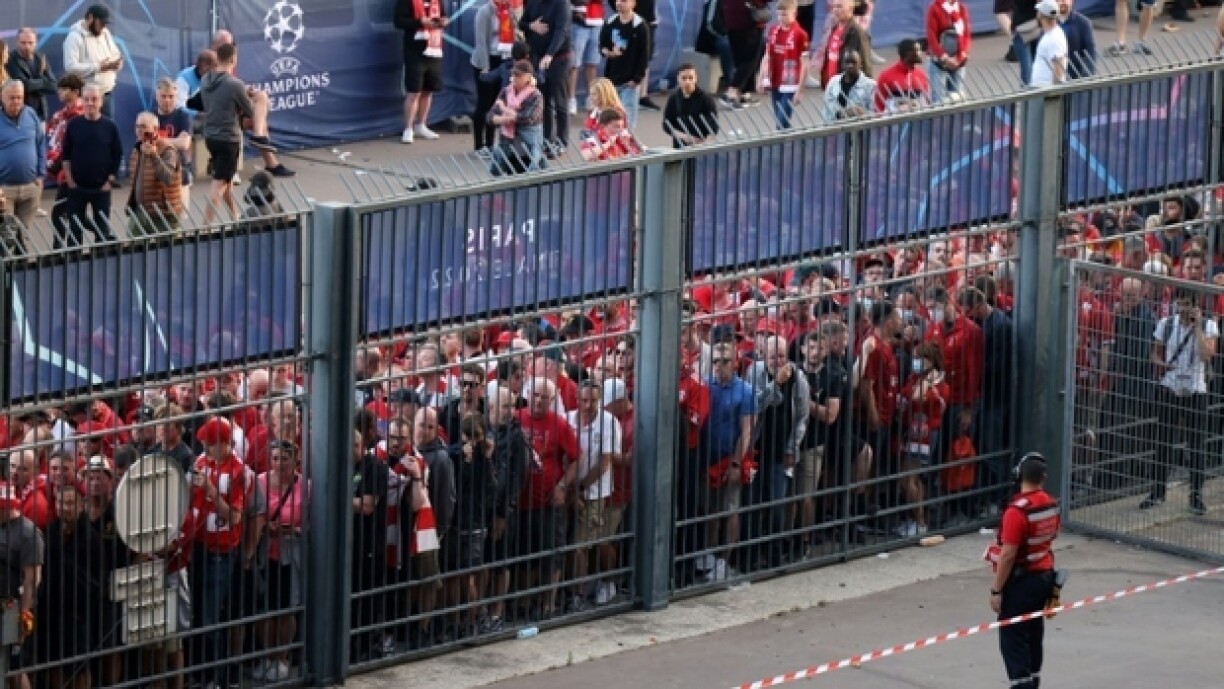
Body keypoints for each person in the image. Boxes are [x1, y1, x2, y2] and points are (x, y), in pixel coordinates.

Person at [986, 452, 1060, 689]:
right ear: (1043, 478)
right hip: (1045, 578)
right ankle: (1033, 681)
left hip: (1021, 584)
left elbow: (1008, 556)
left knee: (1014, 641)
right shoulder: (1051, 504)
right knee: (1033, 634)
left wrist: (996, 590)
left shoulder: (1016, 512)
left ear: (1019, 476)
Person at [60, 84, 122, 245]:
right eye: (86, 99)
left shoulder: (110, 127)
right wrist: (70, 181)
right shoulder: (73, 125)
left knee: (102, 234)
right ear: (82, 101)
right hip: (77, 189)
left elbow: (118, 155)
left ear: (101, 102)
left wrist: (110, 180)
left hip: (101, 189)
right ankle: (74, 265)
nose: (90, 103)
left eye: (94, 99)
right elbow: (65, 155)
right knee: (74, 234)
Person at [199, 43, 254, 224]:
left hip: (211, 137)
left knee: (226, 182)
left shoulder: (205, 80)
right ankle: (206, 227)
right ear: (233, 59)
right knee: (218, 185)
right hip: (228, 139)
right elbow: (250, 111)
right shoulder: (235, 84)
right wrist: (248, 96)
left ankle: (235, 217)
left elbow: (217, 103)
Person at [521, 0, 574, 155]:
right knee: (543, 102)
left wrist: (550, 54)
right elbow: (522, 23)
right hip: (538, 58)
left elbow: (561, 31)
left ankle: (562, 142)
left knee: (560, 102)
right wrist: (531, 26)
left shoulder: (562, 4)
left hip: (559, 58)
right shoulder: (533, 3)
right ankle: (546, 140)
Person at [395, 0, 450, 143]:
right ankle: (408, 128)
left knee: (428, 90)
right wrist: (420, 22)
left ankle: (421, 124)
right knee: (414, 91)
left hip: (434, 48)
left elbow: (443, 15)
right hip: (414, 50)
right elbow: (398, 21)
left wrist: (444, 21)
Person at [0, 80, 45, 252]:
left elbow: (41, 144)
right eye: (12, 98)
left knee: (22, 237)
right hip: (5, 191)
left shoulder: (31, 114)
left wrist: (40, 175)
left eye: (20, 97)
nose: (16, 102)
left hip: (30, 188)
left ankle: (19, 274)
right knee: (5, 239)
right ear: (2, 97)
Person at [472, 0, 520, 151]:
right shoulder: (485, 12)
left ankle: (491, 143)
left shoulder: (511, 10)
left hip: (505, 60)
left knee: (497, 104)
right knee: (484, 104)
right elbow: (480, 42)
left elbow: (518, 35)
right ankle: (479, 145)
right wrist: (485, 67)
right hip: (486, 60)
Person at [126, 112, 184, 235]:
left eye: (143, 127)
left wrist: (154, 156)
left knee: (168, 252)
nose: (139, 130)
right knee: (132, 250)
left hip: (163, 215)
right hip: (140, 212)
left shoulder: (167, 149)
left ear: (155, 129)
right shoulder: (137, 149)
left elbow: (168, 178)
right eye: (137, 127)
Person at [62, 4, 123, 119]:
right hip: (86, 97)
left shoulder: (105, 33)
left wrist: (117, 64)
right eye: (101, 23)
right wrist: (98, 67)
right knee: (85, 130)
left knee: (106, 132)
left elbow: (116, 53)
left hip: (106, 94)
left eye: (105, 24)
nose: (103, 26)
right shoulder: (74, 37)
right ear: (90, 18)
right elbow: (70, 67)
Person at [599, 0, 652, 132]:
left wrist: (637, 79)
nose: (619, 3)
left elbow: (644, 55)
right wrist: (609, 53)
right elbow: (602, 46)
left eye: (623, 0)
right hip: (612, 79)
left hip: (630, 81)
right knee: (610, 118)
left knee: (628, 120)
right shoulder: (610, 22)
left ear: (633, 3)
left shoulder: (640, 26)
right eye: (617, 0)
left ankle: (628, 147)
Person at [759, 0, 810, 130]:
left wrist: (800, 89)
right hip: (775, 80)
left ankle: (786, 146)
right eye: (779, 15)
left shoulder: (801, 35)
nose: (781, 18)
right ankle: (789, 144)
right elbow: (767, 55)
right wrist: (761, 78)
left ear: (794, 13)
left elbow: (805, 64)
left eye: (785, 15)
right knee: (780, 122)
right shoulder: (773, 30)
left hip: (790, 83)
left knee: (781, 122)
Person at [488, 61, 546, 176]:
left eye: (518, 75)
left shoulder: (536, 96)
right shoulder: (506, 91)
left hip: (528, 147)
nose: (514, 78)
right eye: (513, 74)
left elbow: (527, 117)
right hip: (508, 145)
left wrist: (504, 110)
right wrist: (501, 119)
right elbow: (490, 116)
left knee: (531, 174)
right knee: (501, 171)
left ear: (528, 77)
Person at [662, 63, 720, 148]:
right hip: (680, 145)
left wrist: (705, 143)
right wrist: (684, 137)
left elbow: (714, 126)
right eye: (684, 78)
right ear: (678, 79)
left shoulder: (705, 99)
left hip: (700, 145)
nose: (687, 81)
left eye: (690, 78)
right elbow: (667, 124)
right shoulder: (674, 99)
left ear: (696, 78)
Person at [925, 0, 971, 103]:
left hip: (958, 60)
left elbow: (966, 34)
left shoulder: (961, 8)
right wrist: (944, 57)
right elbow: (932, 37)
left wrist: (962, 55)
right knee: (938, 101)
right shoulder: (934, 8)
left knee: (958, 98)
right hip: (938, 61)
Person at [8, 29, 57, 120]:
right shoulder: (11, 59)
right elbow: (24, 86)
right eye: (23, 43)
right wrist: (42, 80)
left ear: (36, 43)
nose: (27, 46)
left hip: (40, 114)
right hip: (19, 114)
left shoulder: (41, 58)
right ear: (17, 42)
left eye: (30, 43)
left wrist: (36, 83)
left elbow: (53, 86)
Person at [874, 38, 930, 112]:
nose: (921, 53)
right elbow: (879, 104)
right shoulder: (886, 76)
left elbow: (928, 102)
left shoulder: (921, 75)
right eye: (918, 50)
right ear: (908, 53)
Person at [821, 49, 875, 119]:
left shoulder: (870, 86)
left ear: (861, 64)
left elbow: (876, 112)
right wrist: (842, 113)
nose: (850, 66)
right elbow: (827, 108)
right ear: (842, 65)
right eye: (847, 62)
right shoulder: (833, 82)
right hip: (835, 127)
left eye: (853, 62)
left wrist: (862, 113)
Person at [1030, 0, 1067, 86]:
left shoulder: (1053, 38)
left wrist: (1053, 94)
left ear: (1041, 15)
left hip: (1046, 92)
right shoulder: (1051, 34)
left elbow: (1059, 67)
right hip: (1042, 90)